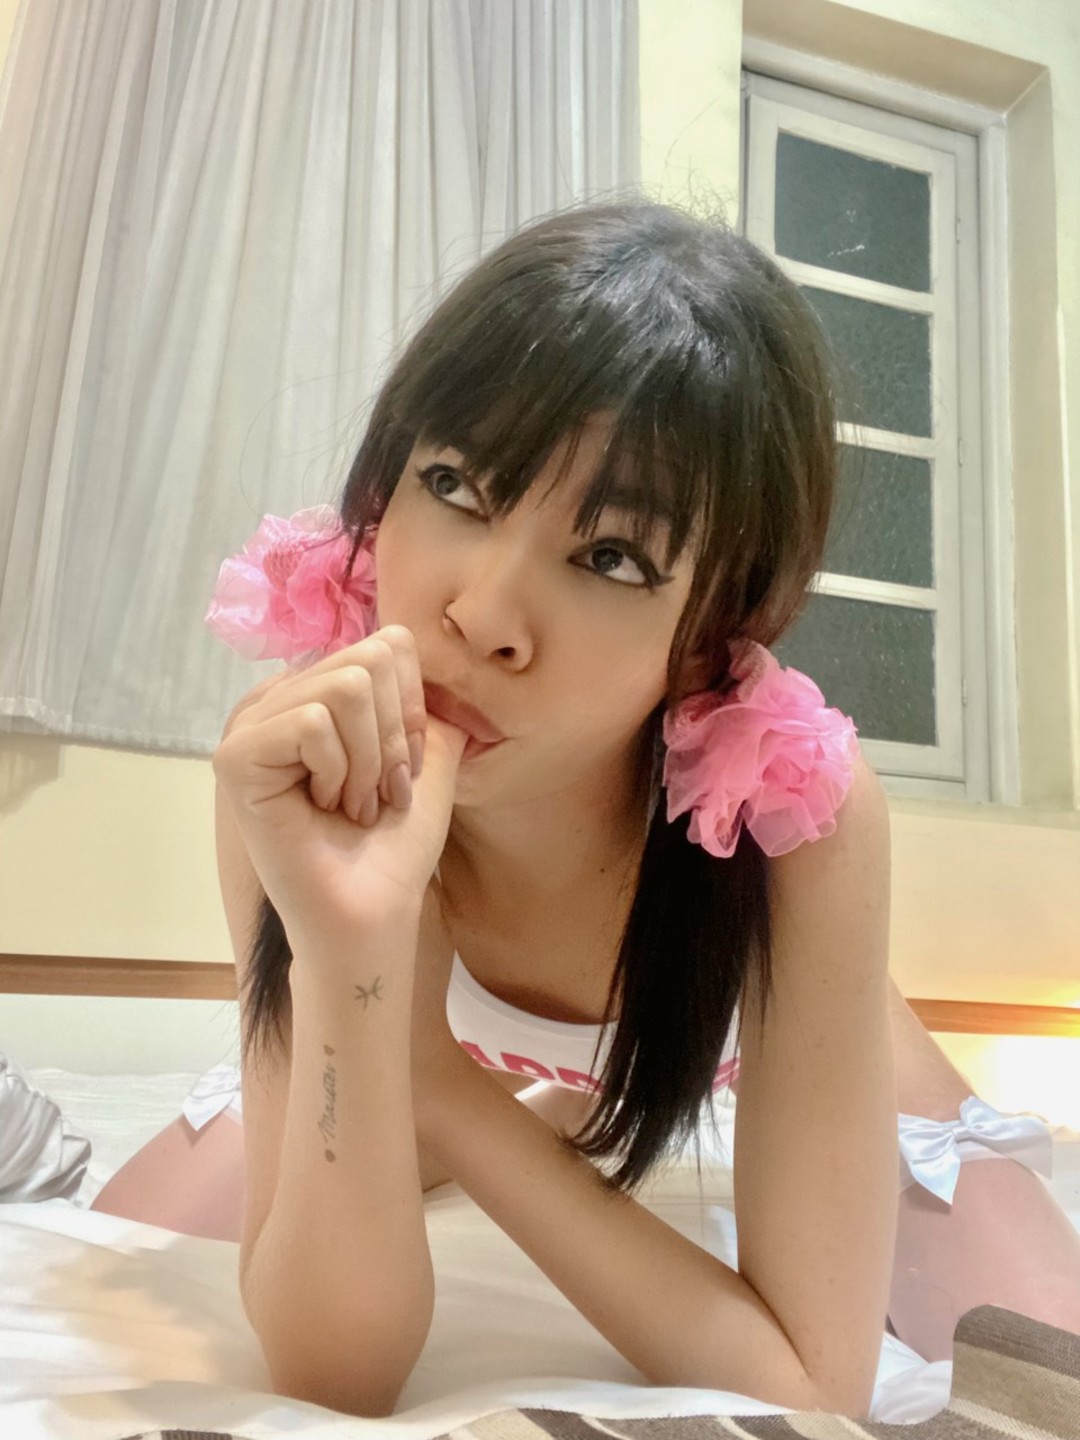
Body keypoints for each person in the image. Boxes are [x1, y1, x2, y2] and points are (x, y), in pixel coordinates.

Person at [91, 196, 1080, 1417]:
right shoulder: (301, 770)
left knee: (1047, 1362)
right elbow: (332, 1372)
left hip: (766, 1048)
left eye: (612, 556)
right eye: (454, 483)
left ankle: (558, 1112)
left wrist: (447, 1098)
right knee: (113, 1250)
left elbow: (811, 1385)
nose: (482, 618)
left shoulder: (787, 823)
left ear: (709, 637)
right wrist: (354, 971)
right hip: (402, 1033)